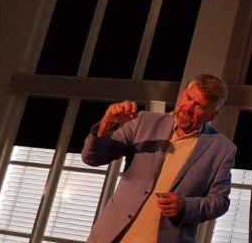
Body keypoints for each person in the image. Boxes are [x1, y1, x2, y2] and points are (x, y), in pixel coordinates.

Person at [82, 74, 236, 243]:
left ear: (211, 116)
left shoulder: (222, 149)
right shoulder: (144, 122)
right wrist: (106, 124)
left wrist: (185, 206)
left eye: (198, 105)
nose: (188, 107)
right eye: (188, 98)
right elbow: (92, 158)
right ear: (182, 94)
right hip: (110, 236)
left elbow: (220, 202)